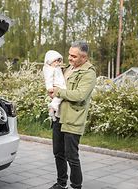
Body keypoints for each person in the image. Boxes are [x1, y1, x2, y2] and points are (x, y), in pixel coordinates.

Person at [48, 41, 96, 189]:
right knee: (58, 153)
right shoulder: (68, 68)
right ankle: (61, 184)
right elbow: (57, 84)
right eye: (69, 54)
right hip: (59, 117)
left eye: (74, 56)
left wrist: (58, 91)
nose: (69, 58)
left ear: (84, 57)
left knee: (72, 157)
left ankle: (76, 186)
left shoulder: (89, 73)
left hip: (73, 119)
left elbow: (80, 95)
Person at [43, 50, 66, 121]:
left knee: (60, 98)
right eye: (55, 61)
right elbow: (48, 79)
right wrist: (49, 87)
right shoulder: (50, 69)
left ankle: (53, 112)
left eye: (58, 61)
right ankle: (52, 107)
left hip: (61, 85)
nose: (57, 63)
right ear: (49, 61)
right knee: (59, 97)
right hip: (57, 85)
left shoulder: (57, 68)